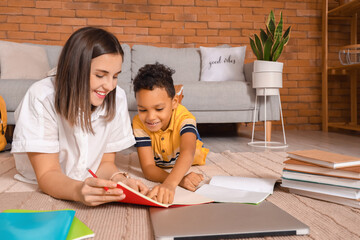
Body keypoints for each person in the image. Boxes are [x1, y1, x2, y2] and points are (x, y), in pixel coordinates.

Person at [11, 27, 148, 206]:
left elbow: (105, 163)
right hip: (42, 177)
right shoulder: (41, 97)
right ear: (75, 69)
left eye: (115, 76)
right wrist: (77, 191)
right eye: (100, 75)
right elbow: (47, 174)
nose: (109, 86)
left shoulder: (117, 97)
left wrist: (120, 179)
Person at [132, 63, 209, 204]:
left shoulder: (184, 117)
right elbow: (148, 168)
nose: (150, 117)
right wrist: (179, 180)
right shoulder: (138, 122)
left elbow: (188, 152)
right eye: (143, 110)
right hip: (163, 163)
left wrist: (170, 184)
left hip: (194, 158)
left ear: (174, 102)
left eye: (159, 109)